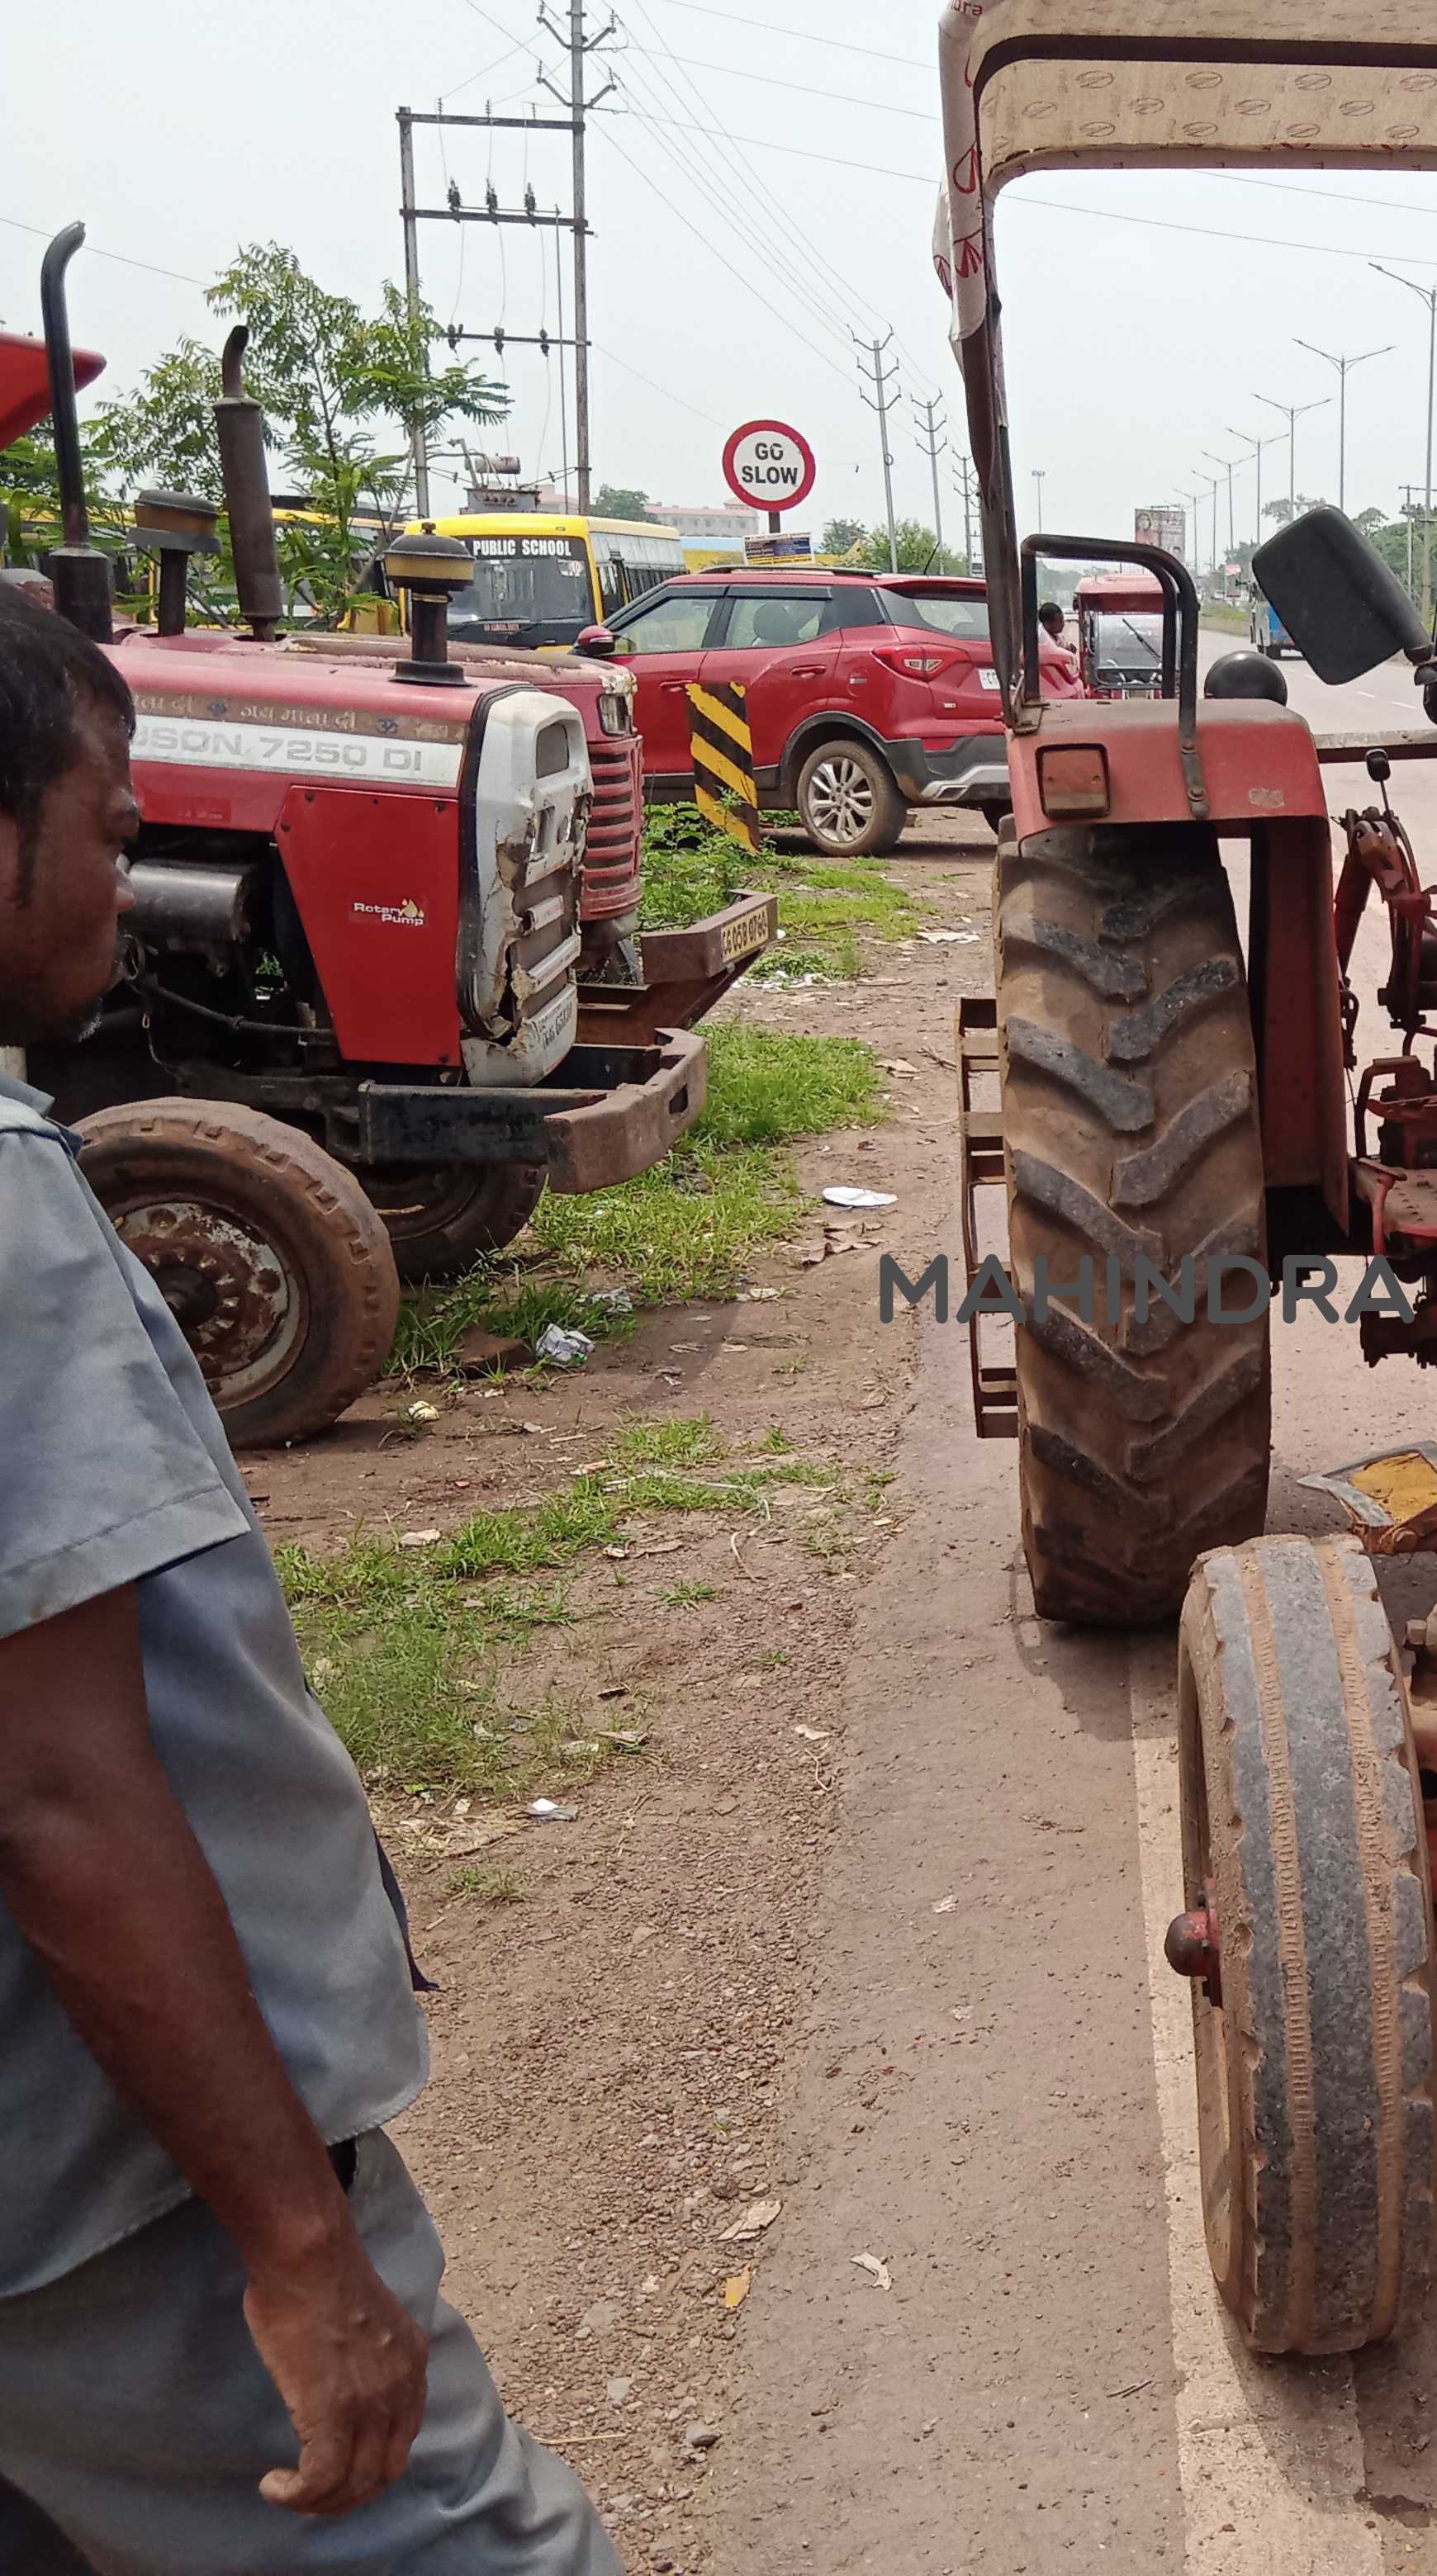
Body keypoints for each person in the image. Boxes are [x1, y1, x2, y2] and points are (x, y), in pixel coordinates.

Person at [0, 591, 619, 2570]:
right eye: (106, 824)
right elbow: (55, 1786)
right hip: (98, 2197)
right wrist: (293, 2241)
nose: (132, 872)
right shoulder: (9, 1202)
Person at [1034, 596, 1085, 698]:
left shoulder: (1058, 636)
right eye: (1060, 622)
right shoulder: (1040, 639)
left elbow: (1064, 651)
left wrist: (1069, 651)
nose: (1063, 625)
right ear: (1047, 624)